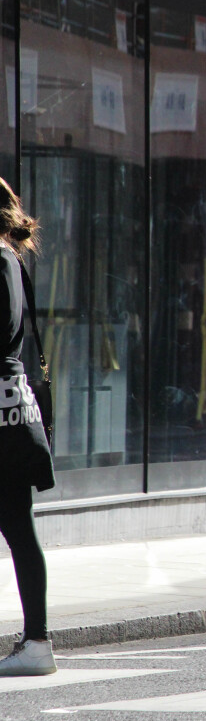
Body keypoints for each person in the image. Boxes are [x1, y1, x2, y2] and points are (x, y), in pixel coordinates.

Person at [0, 177, 56, 676]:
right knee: (19, 527)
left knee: (18, 528)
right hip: (11, 412)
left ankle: (37, 641)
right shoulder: (11, 260)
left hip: (1, 416)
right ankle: (36, 640)